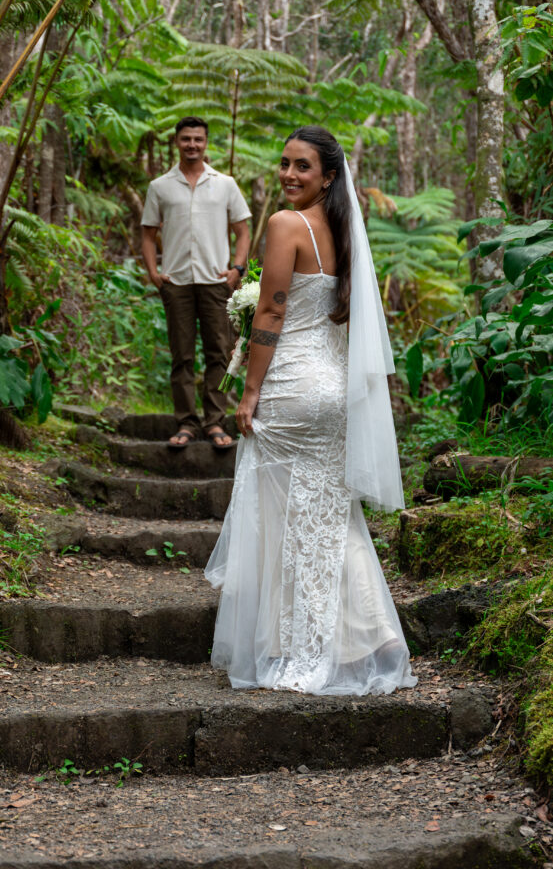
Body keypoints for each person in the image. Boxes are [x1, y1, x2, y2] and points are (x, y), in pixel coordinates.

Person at [205, 126, 416, 696]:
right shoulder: (346, 229)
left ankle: (294, 643)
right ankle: (369, 633)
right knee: (330, 516)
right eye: (284, 163)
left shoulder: (283, 224)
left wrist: (248, 393)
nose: (289, 175)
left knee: (279, 515)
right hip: (333, 391)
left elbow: (271, 314)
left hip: (292, 388)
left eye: (302, 166)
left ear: (327, 175)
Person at [141, 117, 251, 449]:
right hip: (176, 281)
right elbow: (147, 234)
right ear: (176, 142)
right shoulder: (160, 186)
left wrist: (237, 269)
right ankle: (186, 423)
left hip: (216, 281)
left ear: (206, 143)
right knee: (182, 356)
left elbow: (243, 230)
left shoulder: (225, 184)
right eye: (186, 139)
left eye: (198, 139)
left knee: (219, 354)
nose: (192, 145)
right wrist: (152, 272)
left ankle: (215, 423)